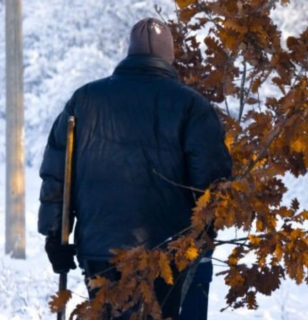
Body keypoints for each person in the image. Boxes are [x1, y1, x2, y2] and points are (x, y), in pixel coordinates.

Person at [38, 17, 232, 319]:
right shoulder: (191, 106)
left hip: (99, 254)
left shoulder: (84, 100)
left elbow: (57, 172)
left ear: (130, 53)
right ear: (169, 56)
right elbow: (211, 184)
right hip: (168, 254)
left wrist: (55, 237)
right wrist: (206, 234)